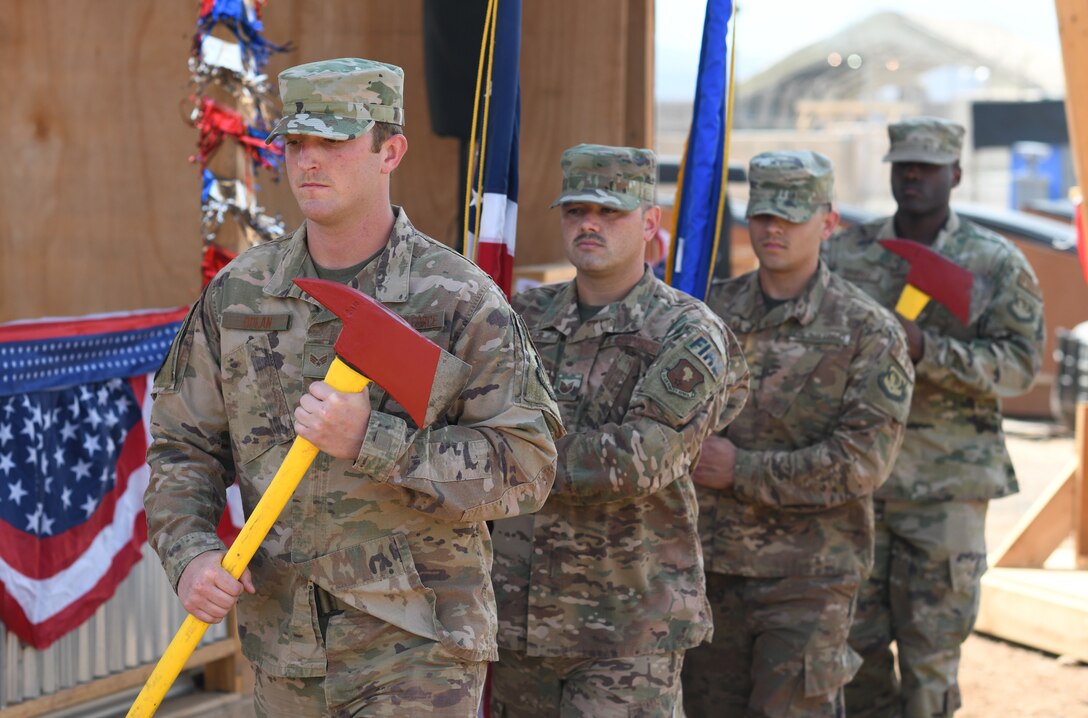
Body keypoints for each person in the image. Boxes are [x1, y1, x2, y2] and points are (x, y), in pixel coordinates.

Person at [144, 57, 563, 718]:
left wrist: (373, 440)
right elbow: (181, 449)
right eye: (296, 142)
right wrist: (191, 554)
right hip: (286, 649)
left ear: (389, 152)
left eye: (334, 141)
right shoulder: (241, 294)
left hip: (418, 648)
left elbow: (527, 467)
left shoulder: (457, 299)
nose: (309, 160)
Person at [489, 144, 749, 717]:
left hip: (628, 629)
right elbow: (471, 415)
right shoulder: (523, 318)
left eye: (610, 211)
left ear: (650, 223)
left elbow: (641, 460)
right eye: (576, 210)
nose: (590, 224)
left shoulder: (687, 331)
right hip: (518, 619)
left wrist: (506, 457)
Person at [824, 117, 1045, 717]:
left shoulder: (995, 262)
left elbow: (1021, 367)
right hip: (859, 485)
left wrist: (931, 350)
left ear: (957, 174)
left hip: (947, 492)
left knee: (931, 663)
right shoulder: (845, 252)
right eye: (904, 165)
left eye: (927, 166)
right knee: (852, 653)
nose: (914, 175)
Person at [681, 150, 914, 717]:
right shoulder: (707, 312)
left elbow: (861, 462)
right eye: (764, 215)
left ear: (828, 222)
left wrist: (740, 470)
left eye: (791, 216)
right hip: (709, 571)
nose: (774, 229)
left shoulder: (867, 330)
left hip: (808, 580)